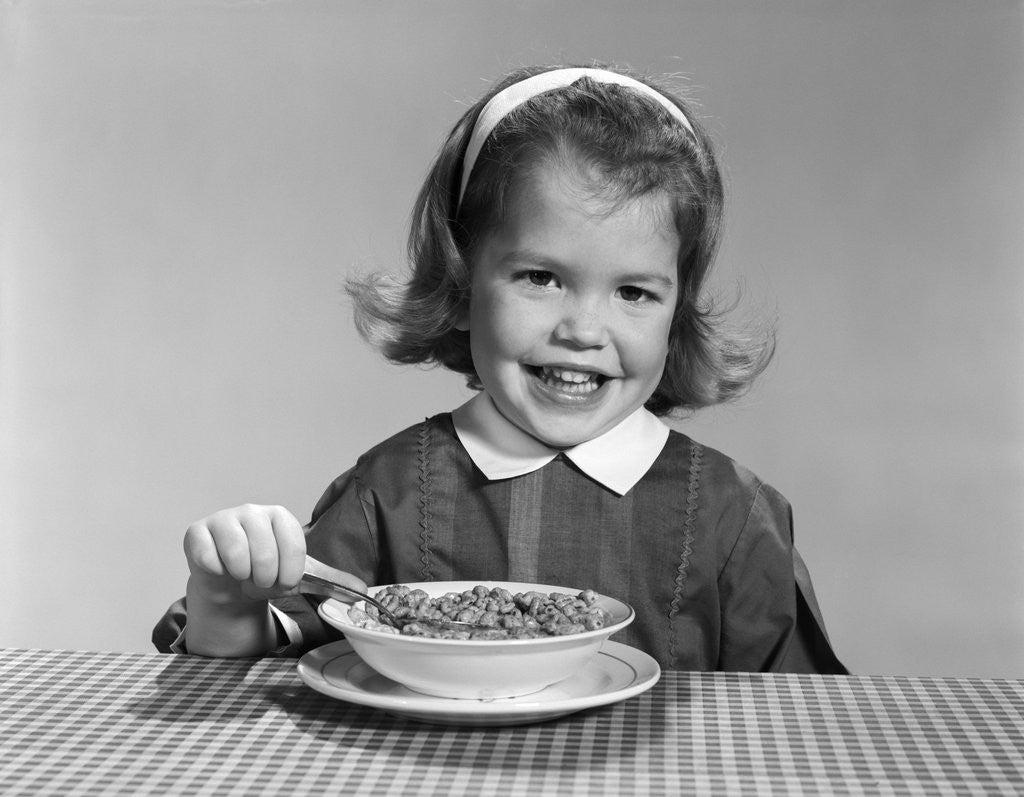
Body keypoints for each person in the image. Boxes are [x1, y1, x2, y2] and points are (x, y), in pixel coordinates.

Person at [154, 64, 846, 673]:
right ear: (460, 286)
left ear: (677, 313)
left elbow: (799, 724)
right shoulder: (390, 491)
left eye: (633, 292)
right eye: (541, 277)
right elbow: (262, 667)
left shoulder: (732, 514)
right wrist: (225, 597)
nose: (582, 330)